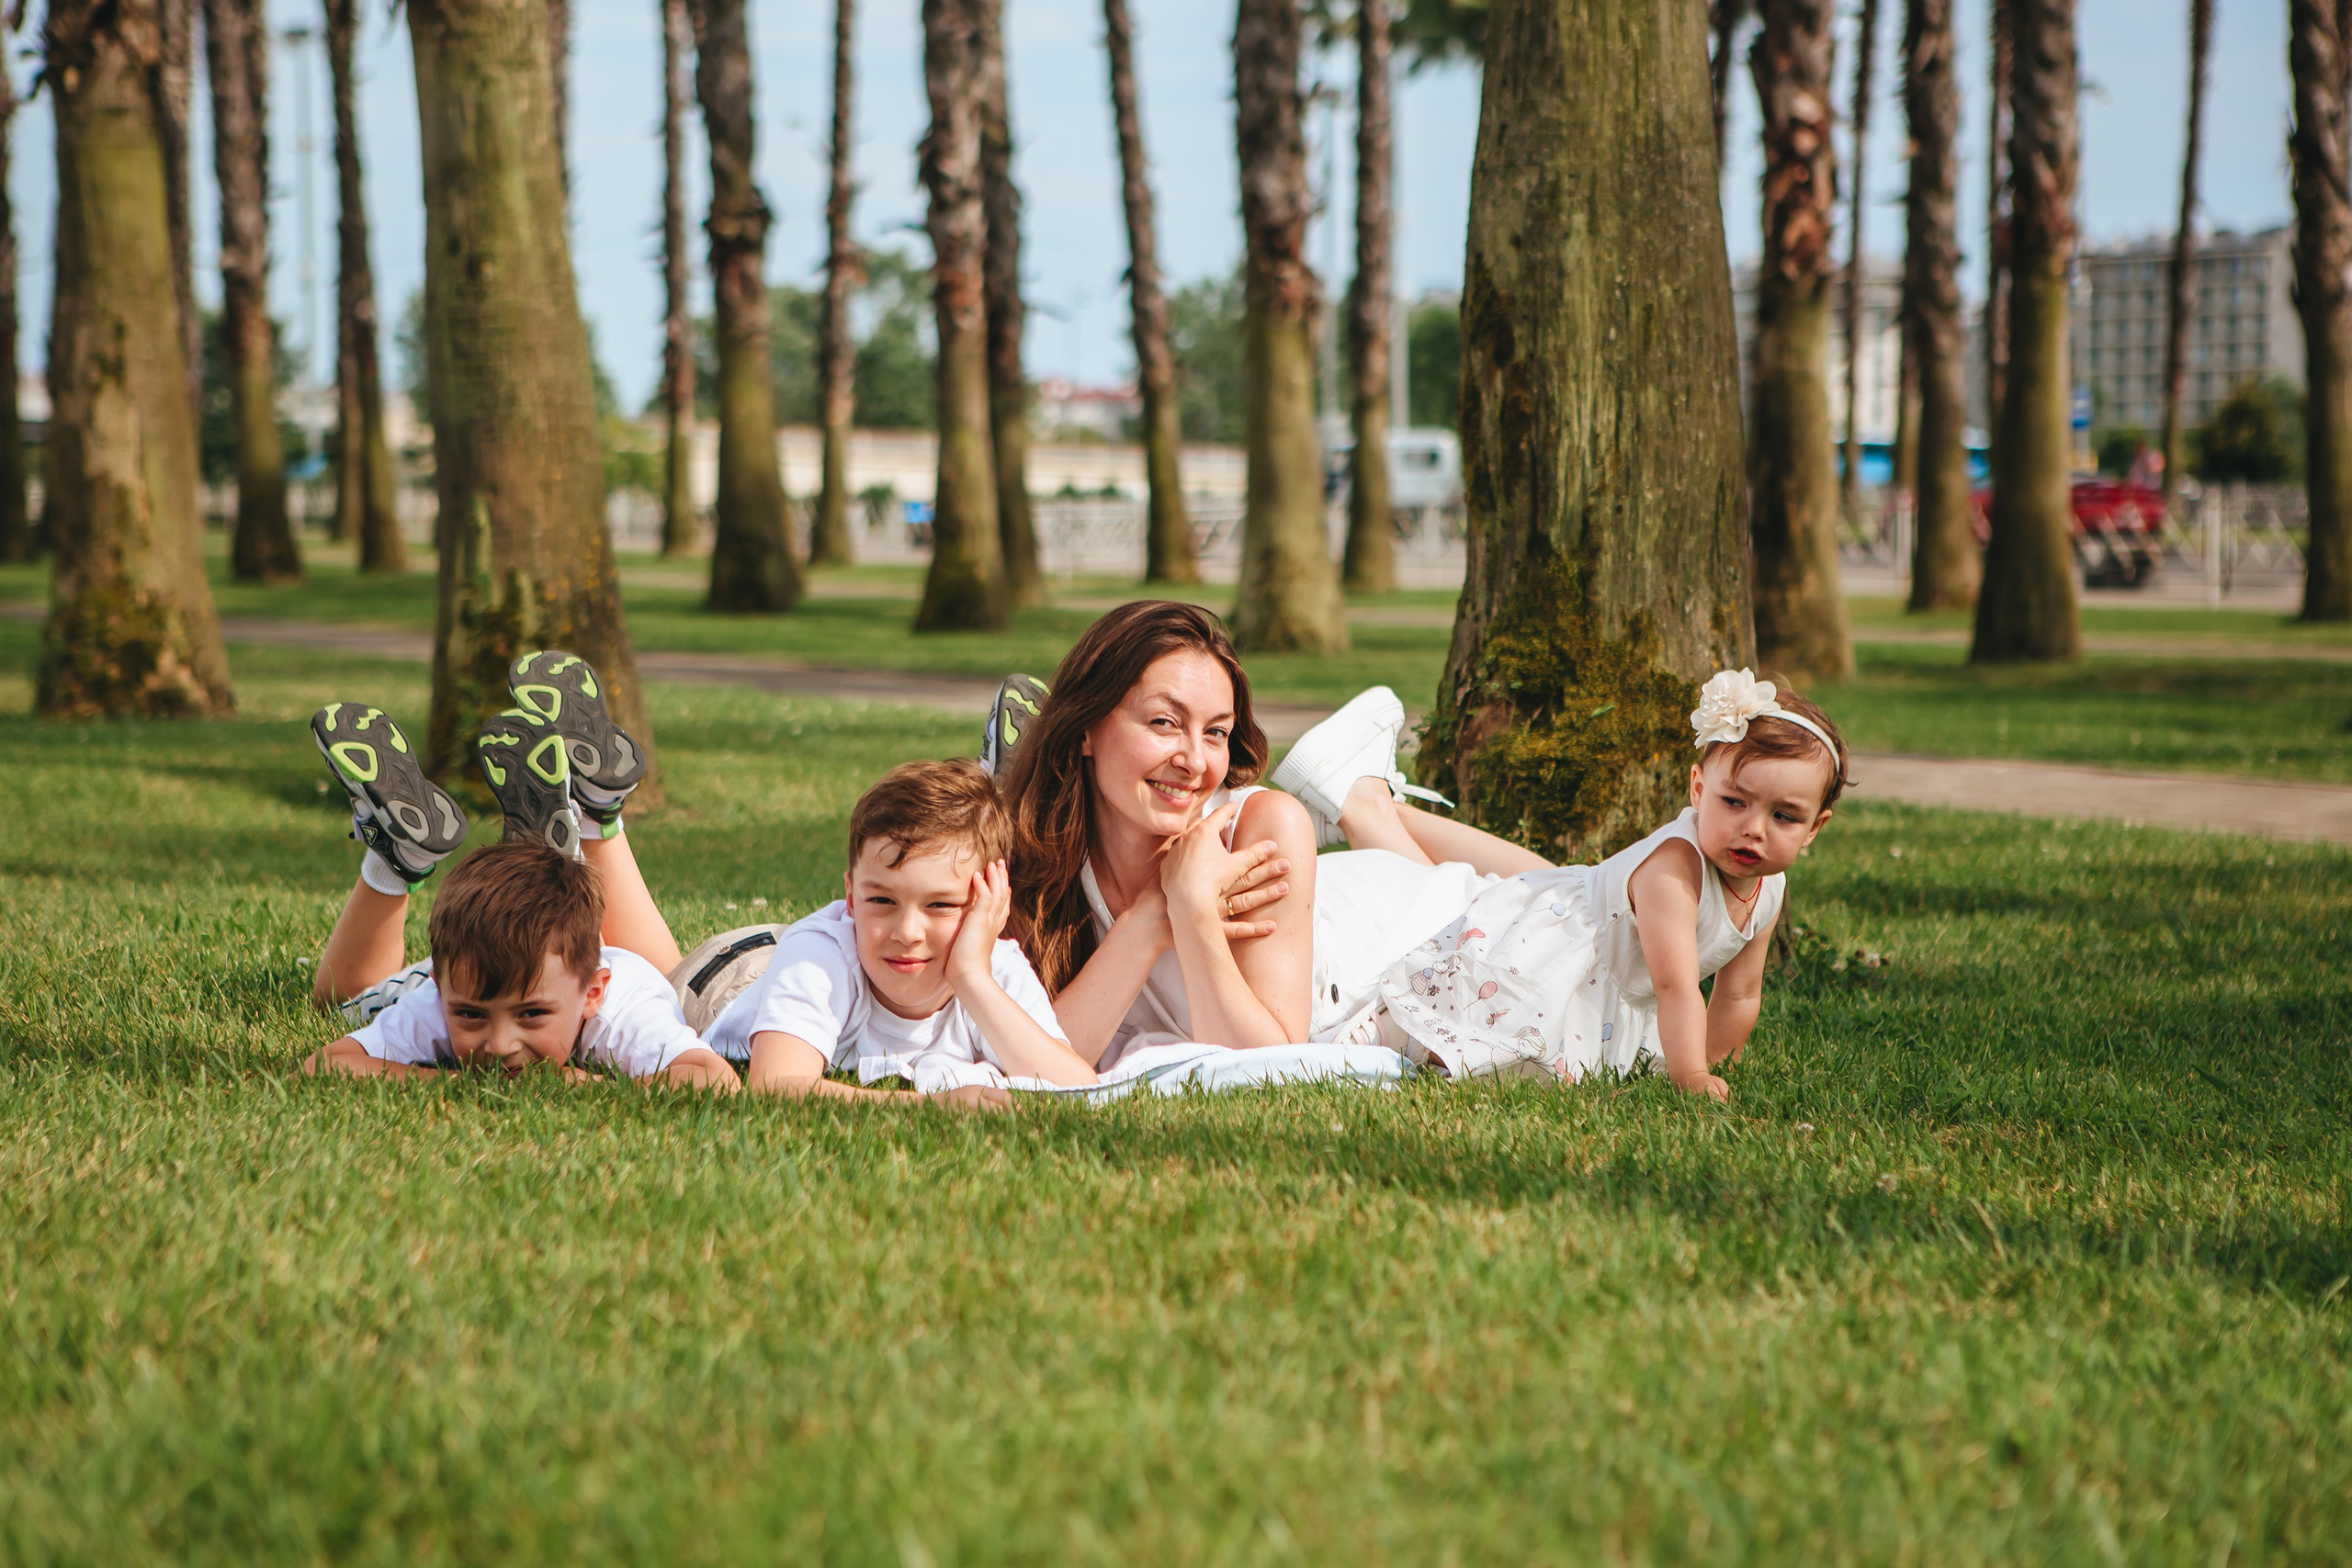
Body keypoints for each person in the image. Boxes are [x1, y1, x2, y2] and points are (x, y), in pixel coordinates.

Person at [990, 602, 1551, 1067]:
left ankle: (1366, 803)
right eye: (1164, 722)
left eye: (1215, 733)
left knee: (1573, 894)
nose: (1191, 760)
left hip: (1419, 928)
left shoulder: (1262, 829)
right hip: (1335, 899)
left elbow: (1264, 1064)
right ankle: (1364, 802)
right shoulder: (1037, 861)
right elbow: (1046, 1062)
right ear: (1085, 727)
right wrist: (1147, 920)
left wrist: (1192, 911)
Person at [1364, 669, 1847, 1100]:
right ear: (1699, 789)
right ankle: (1369, 806)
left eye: (1784, 816)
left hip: (1618, 983)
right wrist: (1690, 1075)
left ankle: (1377, 809)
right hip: (1561, 947)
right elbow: (1675, 985)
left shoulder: (1771, 887)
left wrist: (1716, 1066)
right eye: (1735, 802)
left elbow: (1739, 994)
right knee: (1479, 1045)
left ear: (1814, 828)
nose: (1755, 829)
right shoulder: (1675, 868)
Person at [300, 658, 737, 1089]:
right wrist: (450, 1081)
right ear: (437, 986)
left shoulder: (620, 1010)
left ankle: (398, 863)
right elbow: (325, 1064)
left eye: (530, 1014)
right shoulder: (440, 998)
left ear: (593, 995)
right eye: (471, 1016)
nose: (500, 1044)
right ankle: (598, 812)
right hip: (591, 964)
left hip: (619, 972)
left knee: (341, 998)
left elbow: (713, 1080)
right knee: (668, 979)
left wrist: (590, 1086)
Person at [695, 758, 1101, 1098]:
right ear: (851, 895)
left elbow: (1076, 1090)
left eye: (940, 905)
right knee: (657, 980)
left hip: (801, 957)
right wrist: (932, 1107)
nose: (907, 932)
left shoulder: (998, 968)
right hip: (732, 975)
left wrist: (971, 977)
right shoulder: (821, 956)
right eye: (882, 900)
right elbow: (777, 1085)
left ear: (990, 905)